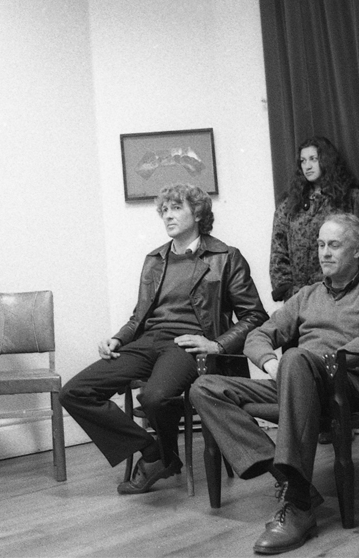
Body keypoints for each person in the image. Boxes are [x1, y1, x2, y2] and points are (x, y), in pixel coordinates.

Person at [190, 212, 359, 555]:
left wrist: (333, 358)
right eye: (321, 244)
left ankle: (297, 506)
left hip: (350, 385)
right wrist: (271, 362)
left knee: (298, 357)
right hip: (296, 380)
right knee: (205, 388)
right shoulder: (306, 295)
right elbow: (259, 334)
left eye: (334, 245)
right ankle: (296, 485)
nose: (324, 252)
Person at [59, 184, 268, 495]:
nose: (168, 216)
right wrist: (118, 339)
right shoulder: (155, 259)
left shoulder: (226, 257)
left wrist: (216, 345)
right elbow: (138, 316)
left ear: (198, 213)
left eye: (176, 208)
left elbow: (255, 315)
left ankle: (161, 458)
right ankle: (157, 454)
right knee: (74, 392)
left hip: (187, 345)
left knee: (154, 397)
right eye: (164, 210)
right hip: (147, 341)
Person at [270, 136, 359, 302]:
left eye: (313, 159)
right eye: (303, 161)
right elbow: (278, 249)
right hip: (298, 296)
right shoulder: (289, 204)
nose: (307, 166)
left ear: (326, 161)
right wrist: (287, 290)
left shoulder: (348, 198)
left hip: (340, 293)